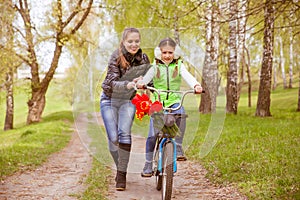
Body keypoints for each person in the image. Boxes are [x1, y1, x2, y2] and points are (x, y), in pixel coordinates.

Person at [137, 37, 203, 177]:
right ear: (159, 53)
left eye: (170, 52)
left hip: (174, 100)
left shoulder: (179, 65)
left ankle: (178, 146)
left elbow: (188, 76)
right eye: (164, 52)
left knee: (181, 113)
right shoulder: (155, 66)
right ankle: (148, 163)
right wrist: (141, 83)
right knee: (152, 134)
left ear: (175, 53)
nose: (167, 55)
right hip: (158, 101)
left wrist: (196, 85)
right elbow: (147, 78)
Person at [100, 27, 151, 190]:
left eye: (137, 41)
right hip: (109, 99)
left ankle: (121, 174)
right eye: (130, 41)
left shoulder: (143, 58)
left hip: (128, 101)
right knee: (113, 138)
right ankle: (119, 166)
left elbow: (151, 80)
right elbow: (112, 82)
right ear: (123, 42)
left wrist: (145, 81)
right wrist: (128, 83)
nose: (134, 44)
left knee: (124, 134)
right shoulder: (116, 56)